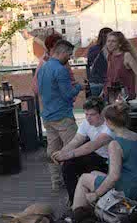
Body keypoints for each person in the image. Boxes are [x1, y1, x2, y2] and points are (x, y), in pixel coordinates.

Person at [71, 103, 137, 212]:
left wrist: (95, 194)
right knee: (94, 173)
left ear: (108, 122)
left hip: (125, 192)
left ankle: (76, 217)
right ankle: (88, 210)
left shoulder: (115, 144)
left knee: (84, 179)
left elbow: (113, 177)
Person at [52, 96, 113, 209]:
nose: (88, 118)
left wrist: (68, 154)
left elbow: (92, 145)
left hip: (108, 162)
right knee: (68, 165)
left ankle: (81, 203)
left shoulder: (109, 126)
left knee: (72, 158)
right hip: (95, 157)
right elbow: (76, 141)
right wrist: (62, 153)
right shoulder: (86, 123)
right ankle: (74, 200)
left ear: (102, 114)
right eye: (86, 114)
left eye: (92, 114)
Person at [37, 39, 82, 192]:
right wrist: (79, 87)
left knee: (52, 150)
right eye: (68, 55)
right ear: (61, 52)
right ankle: (74, 181)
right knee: (72, 149)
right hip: (62, 116)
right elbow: (68, 95)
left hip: (48, 116)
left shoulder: (42, 68)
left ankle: (56, 181)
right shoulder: (61, 70)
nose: (69, 58)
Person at [103, 31, 137, 100]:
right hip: (112, 96)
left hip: (126, 96)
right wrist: (102, 93)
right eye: (108, 41)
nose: (110, 44)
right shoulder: (110, 56)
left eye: (113, 41)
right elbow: (109, 77)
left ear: (119, 44)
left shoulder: (126, 56)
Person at [86, 28, 113, 97]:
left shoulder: (92, 49)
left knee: (97, 105)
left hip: (94, 82)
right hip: (109, 82)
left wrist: (89, 80)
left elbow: (88, 65)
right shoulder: (112, 50)